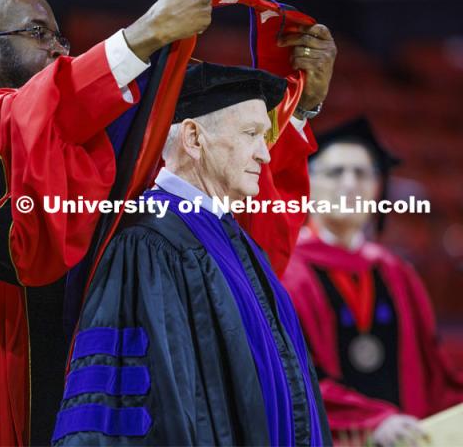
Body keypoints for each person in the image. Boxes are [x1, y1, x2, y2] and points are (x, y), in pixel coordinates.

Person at [0, 0, 220, 446]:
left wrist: (297, 108)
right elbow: (35, 113)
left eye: (60, 37)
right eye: (38, 33)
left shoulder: (46, 126)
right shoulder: (7, 116)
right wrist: (144, 35)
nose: (58, 50)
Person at [52, 62, 333, 446]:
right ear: (194, 138)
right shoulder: (149, 244)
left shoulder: (232, 237)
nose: (264, 156)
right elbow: (142, 403)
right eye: (251, 134)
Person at [282, 117, 463, 446]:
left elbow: (433, 371)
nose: (350, 184)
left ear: (378, 188)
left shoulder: (396, 272)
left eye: (363, 173)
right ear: (308, 183)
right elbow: (292, 376)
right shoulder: (287, 272)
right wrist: (369, 420)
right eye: (336, 172)